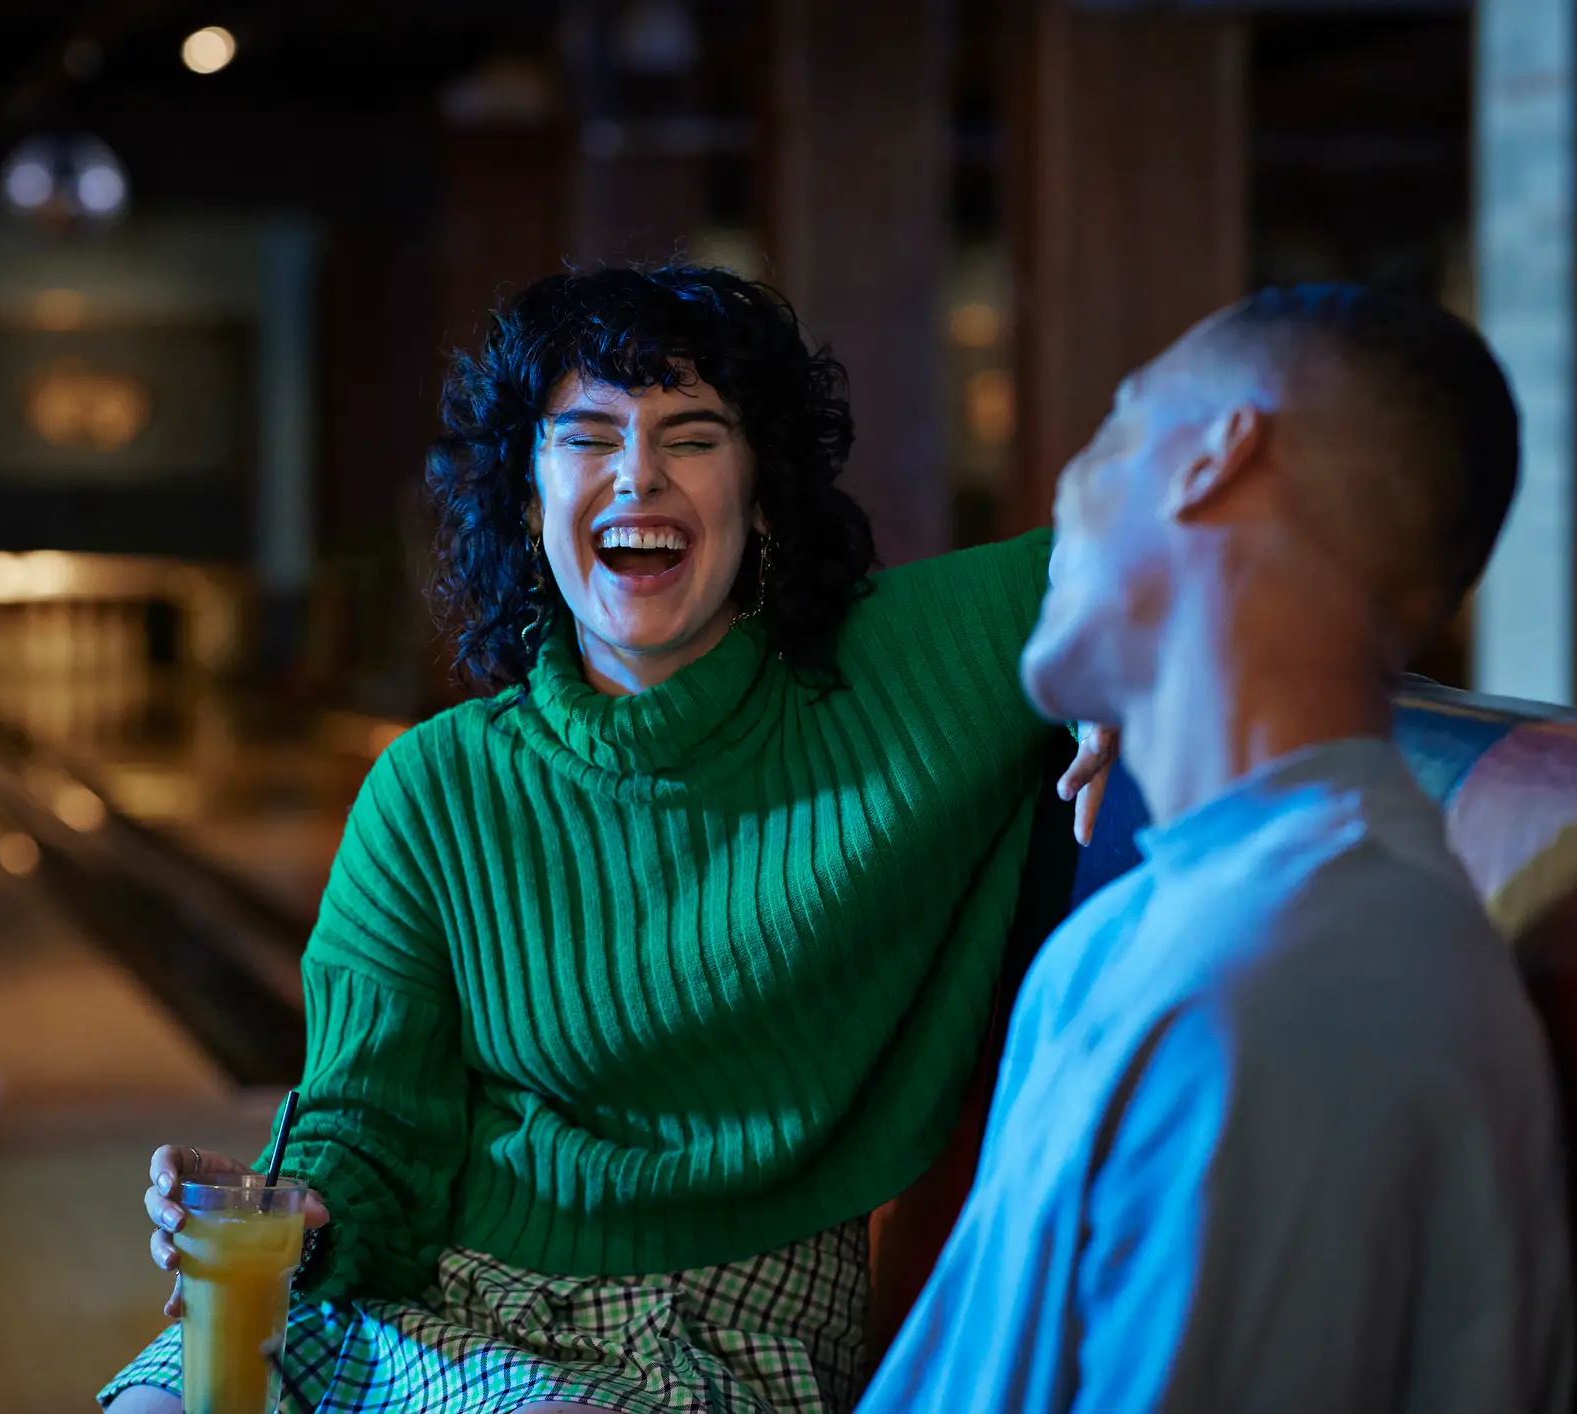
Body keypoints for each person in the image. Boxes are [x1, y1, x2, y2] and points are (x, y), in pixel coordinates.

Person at [101, 266, 1115, 1414]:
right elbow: (368, 1115)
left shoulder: (895, 673)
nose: (639, 471)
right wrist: (306, 1199)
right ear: (529, 500)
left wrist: (1122, 677)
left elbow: (1156, 535)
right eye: (588, 437)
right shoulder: (434, 789)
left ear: (762, 491)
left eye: (692, 435)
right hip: (438, 1296)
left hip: (719, 1331)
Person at [859, 285, 1575, 1413]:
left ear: (1215, 458)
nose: (1062, 498)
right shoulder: (1143, 932)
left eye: (1112, 434)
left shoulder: (1296, 990)